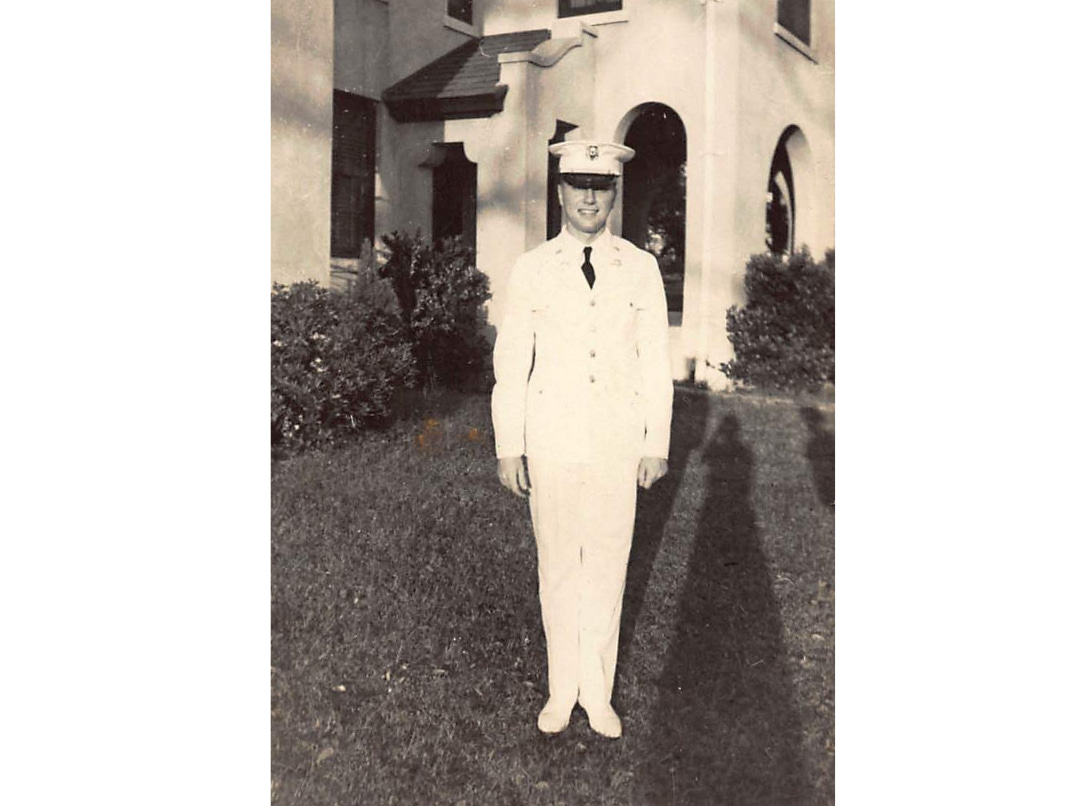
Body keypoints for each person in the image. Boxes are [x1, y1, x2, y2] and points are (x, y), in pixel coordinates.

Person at [491, 140, 674, 739]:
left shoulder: (639, 268)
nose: (589, 196)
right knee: (558, 565)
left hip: (617, 442)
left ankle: (597, 693)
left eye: (601, 186)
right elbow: (513, 361)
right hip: (552, 438)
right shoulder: (532, 267)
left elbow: (654, 361)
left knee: (607, 564)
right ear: (561, 191)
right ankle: (559, 688)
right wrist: (508, 444)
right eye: (578, 184)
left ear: (614, 193)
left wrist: (656, 442)